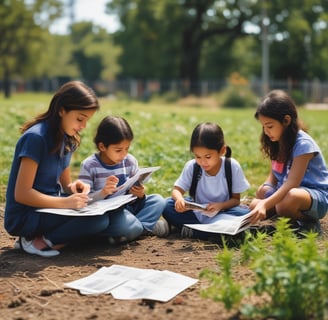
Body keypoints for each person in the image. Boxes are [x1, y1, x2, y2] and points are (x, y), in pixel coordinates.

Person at [5, 81, 111, 257]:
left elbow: (65, 185)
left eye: (87, 120)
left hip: (50, 208)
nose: (83, 126)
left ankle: (44, 237)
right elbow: (22, 194)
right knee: (97, 221)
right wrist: (66, 203)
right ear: (62, 110)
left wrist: (76, 188)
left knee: (104, 217)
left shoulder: (66, 139)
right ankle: (37, 242)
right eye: (80, 118)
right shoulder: (36, 138)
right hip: (25, 216)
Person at [249, 90, 328, 234]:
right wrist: (264, 193)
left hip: (313, 197)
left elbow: (292, 183)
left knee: (288, 200)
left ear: (286, 120)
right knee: (259, 196)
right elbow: (273, 175)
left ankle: (309, 223)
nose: (266, 132)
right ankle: (287, 219)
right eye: (263, 127)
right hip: (286, 193)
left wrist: (266, 204)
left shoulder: (303, 144)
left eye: (270, 126)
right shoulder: (277, 141)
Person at [78, 115, 167, 243]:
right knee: (123, 225)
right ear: (102, 146)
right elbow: (84, 201)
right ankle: (142, 229)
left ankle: (133, 231)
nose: (124, 154)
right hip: (109, 214)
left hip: (128, 207)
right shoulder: (89, 165)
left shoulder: (129, 161)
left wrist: (140, 194)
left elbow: (136, 195)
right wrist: (102, 193)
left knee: (158, 200)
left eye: (127, 148)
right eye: (118, 150)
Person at [162, 122, 250, 240]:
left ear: (222, 150)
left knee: (245, 215)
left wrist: (221, 205)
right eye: (198, 157)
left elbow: (235, 200)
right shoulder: (192, 167)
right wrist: (179, 200)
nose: (203, 162)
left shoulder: (231, 166)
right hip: (197, 212)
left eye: (208, 157)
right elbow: (177, 190)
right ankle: (214, 233)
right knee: (167, 205)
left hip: (222, 213)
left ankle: (195, 231)